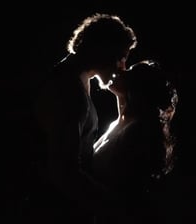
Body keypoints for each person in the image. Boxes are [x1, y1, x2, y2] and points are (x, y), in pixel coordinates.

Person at [28, 13, 137, 223]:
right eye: (121, 57)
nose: (123, 66)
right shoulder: (69, 89)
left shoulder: (75, 79)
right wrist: (113, 205)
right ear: (105, 49)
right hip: (57, 210)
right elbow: (64, 171)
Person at [91, 60, 178, 223]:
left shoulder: (137, 132)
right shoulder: (121, 122)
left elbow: (122, 195)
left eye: (129, 72)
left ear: (138, 88)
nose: (121, 71)